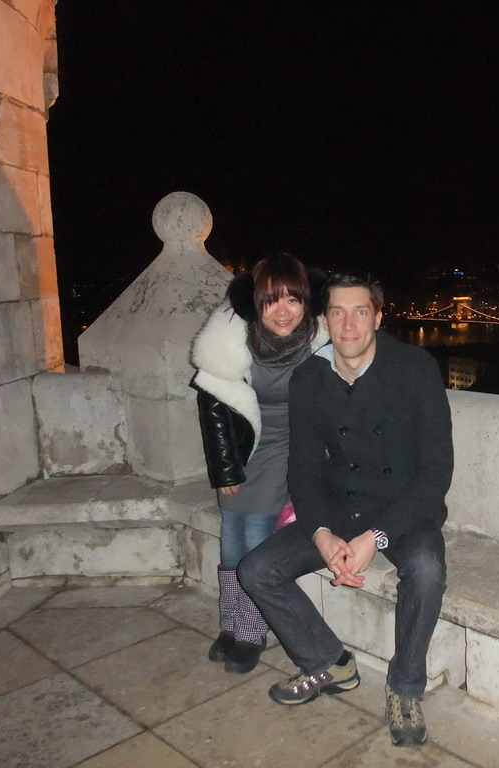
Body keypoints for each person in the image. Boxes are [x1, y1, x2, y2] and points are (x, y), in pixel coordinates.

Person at [237, 273, 454, 747]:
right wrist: (320, 534)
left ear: (378, 316)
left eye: (360, 311)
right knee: (256, 569)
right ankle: (329, 663)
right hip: (337, 508)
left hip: (402, 509)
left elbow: (436, 473)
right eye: (337, 312)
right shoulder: (310, 378)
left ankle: (405, 687)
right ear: (324, 319)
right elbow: (305, 473)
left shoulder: (414, 369)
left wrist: (374, 538)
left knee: (426, 567)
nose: (348, 324)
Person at [190, 254, 329, 673]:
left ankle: (251, 631)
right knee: (230, 533)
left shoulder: (319, 341)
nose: (282, 311)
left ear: (308, 303)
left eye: (293, 300)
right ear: (256, 305)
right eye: (272, 301)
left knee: (254, 536)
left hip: (288, 454)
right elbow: (213, 409)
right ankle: (232, 624)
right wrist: (226, 469)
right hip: (244, 449)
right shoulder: (235, 341)